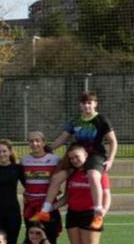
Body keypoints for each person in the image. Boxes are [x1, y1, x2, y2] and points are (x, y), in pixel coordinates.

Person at [32, 92, 117, 230]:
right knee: (56, 178)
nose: (87, 106)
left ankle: (97, 213)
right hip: (76, 154)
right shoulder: (75, 120)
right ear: (80, 105)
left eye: (90, 103)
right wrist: (47, 148)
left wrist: (111, 160)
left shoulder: (101, 119)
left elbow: (113, 142)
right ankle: (45, 211)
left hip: (95, 154)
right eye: (84, 103)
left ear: (95, 104)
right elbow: (63, 138)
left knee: (93, 176)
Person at [56, 144, 111, 244]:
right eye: (71, 158)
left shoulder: (97, 171)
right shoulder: (72, 174)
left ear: (86, 156)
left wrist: (102, 211)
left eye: (77, 157)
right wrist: (52, 207)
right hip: (73, 214)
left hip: (91, 215)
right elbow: (67, 197)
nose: (74, 160)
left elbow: (106, 194)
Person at [21, 131, 63, 244]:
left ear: (44, 142)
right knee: (32, 241)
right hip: (30, 208)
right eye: (31, 141)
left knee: (50, 241)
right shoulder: (25, 160)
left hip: (48, 209)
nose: (34, 144)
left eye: (37, 141)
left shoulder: (55, 159)